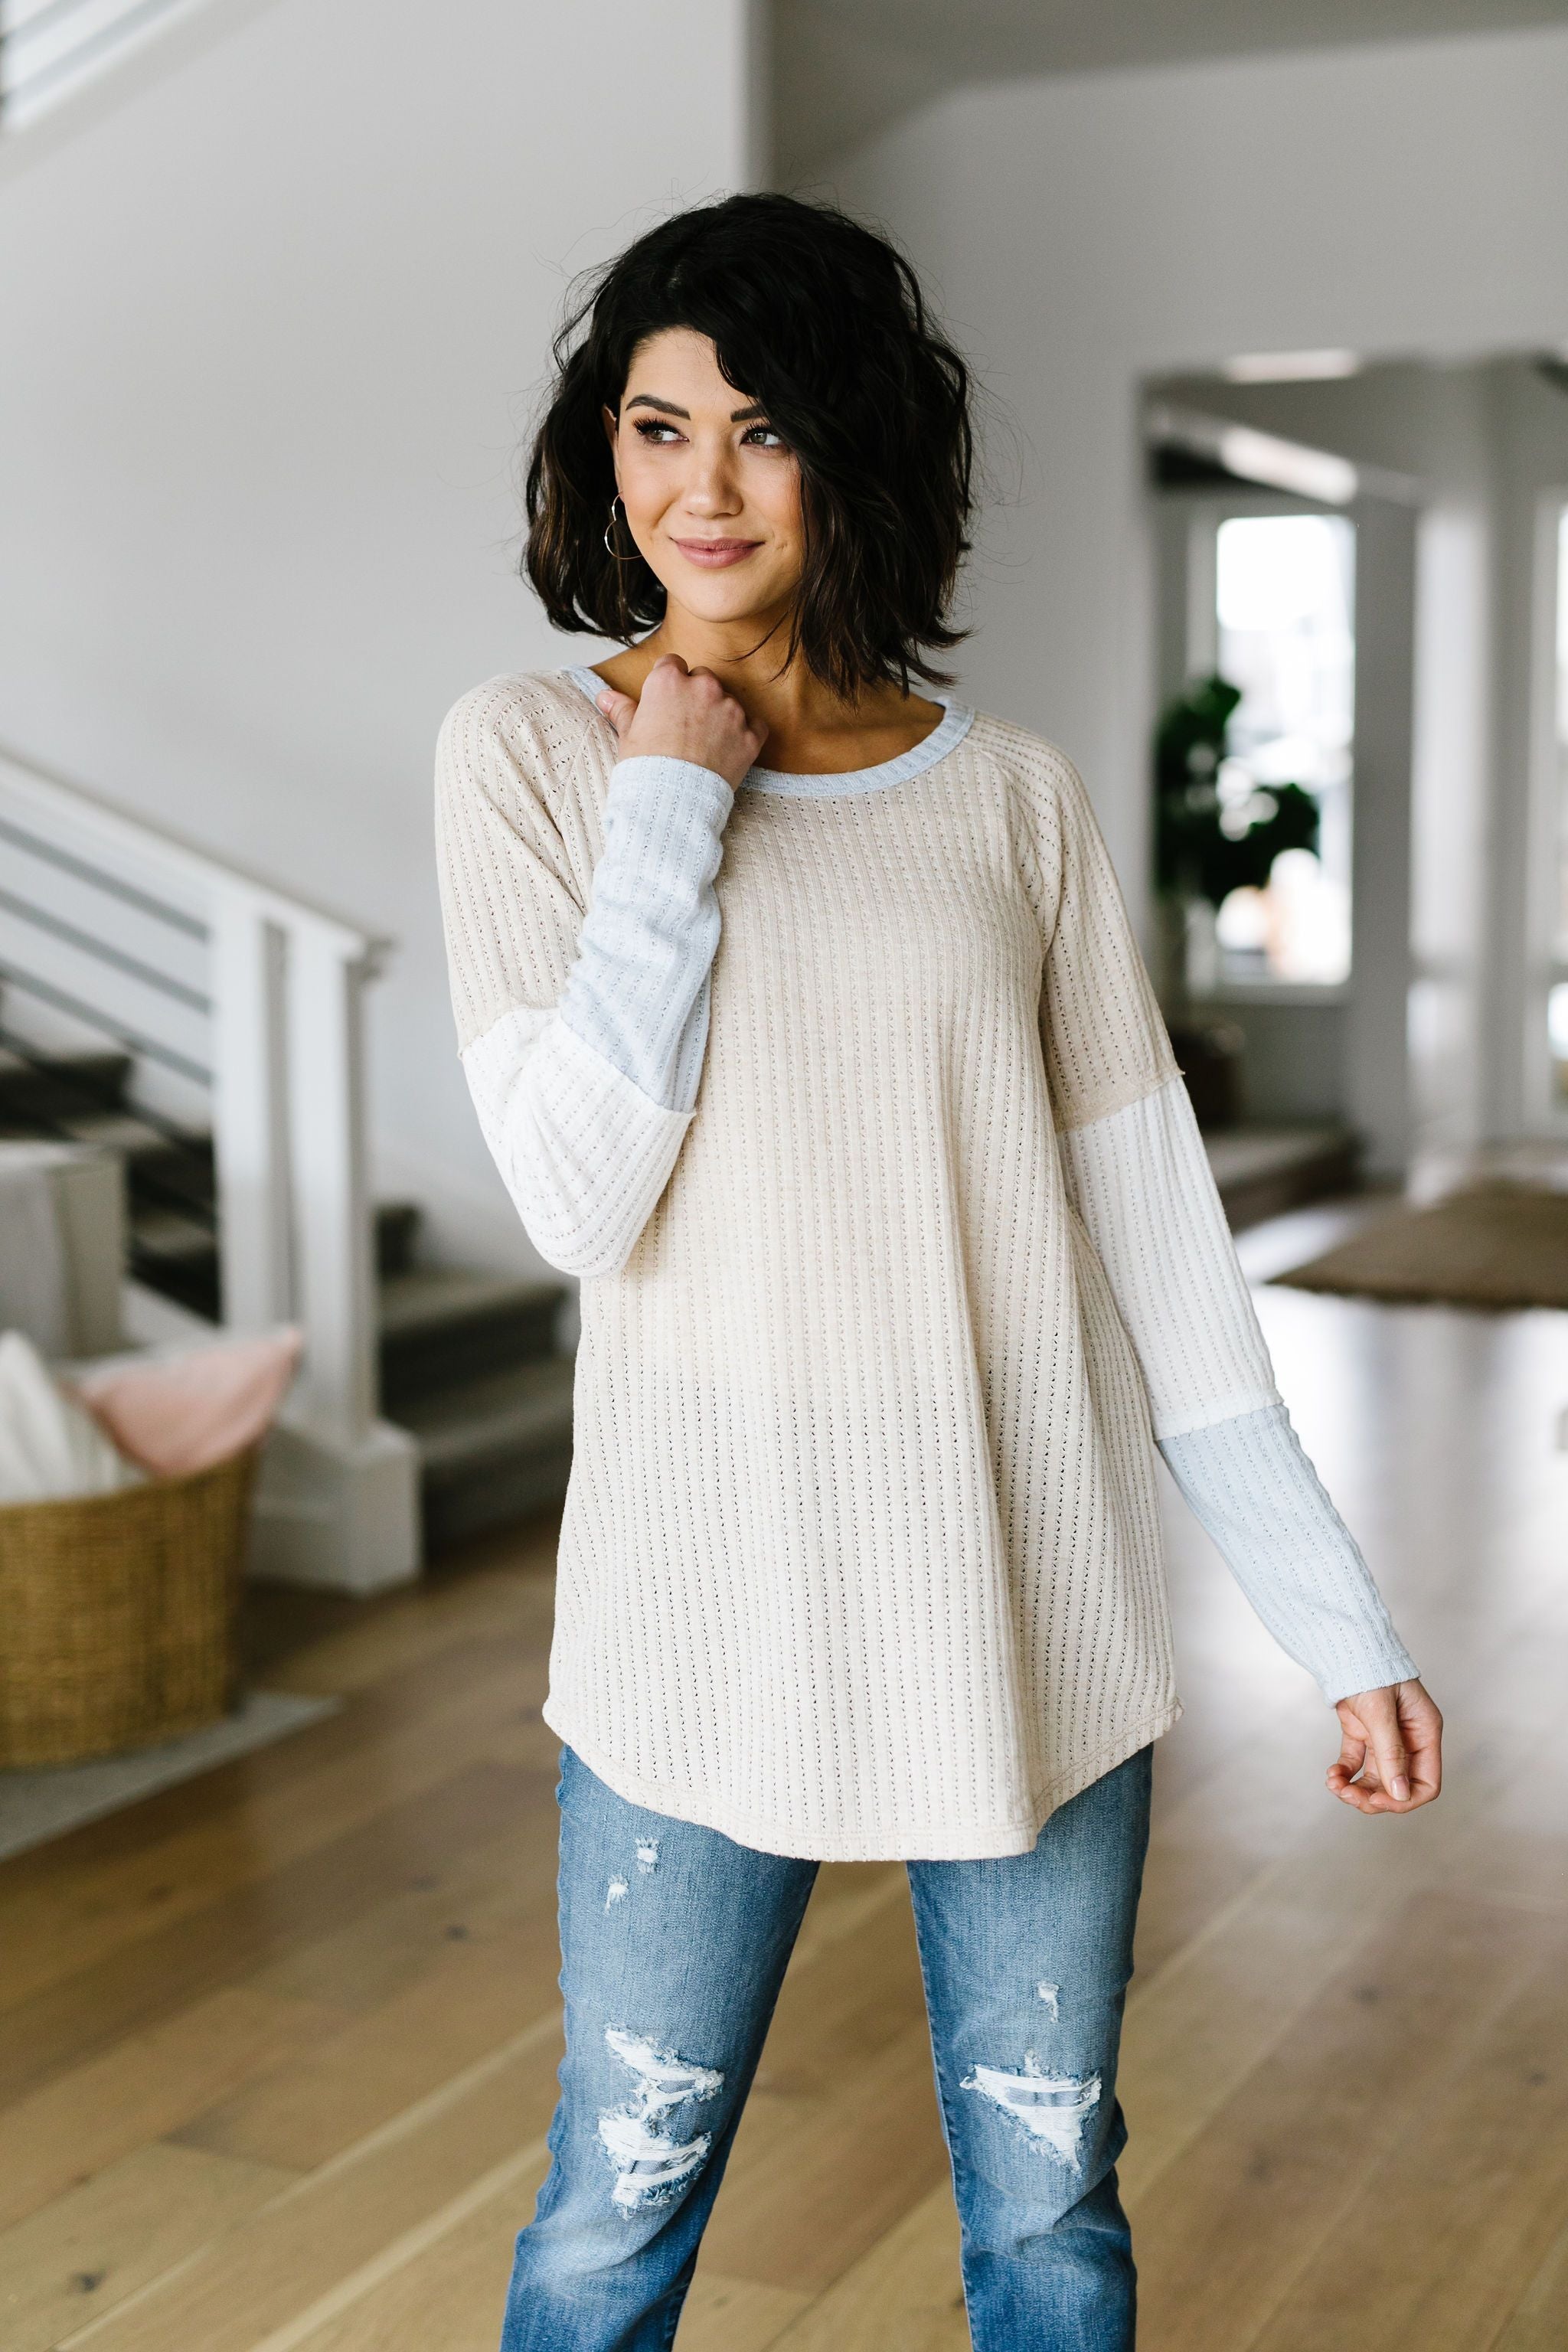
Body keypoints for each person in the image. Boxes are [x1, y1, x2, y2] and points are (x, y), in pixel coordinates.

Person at [433, 190, 1442, 2352]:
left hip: (1023, 1606)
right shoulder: (531, 759)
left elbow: (1165, 1255)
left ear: (856, 451)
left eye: (765, 428)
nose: (703, 487)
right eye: (657, 426)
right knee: (614, 2216)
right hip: (698, 1620)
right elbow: (577, 1200)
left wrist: (1339, 1625)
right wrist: (667, 810)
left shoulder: (1016, 806)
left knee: (1054, 2218)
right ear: (604, 452)